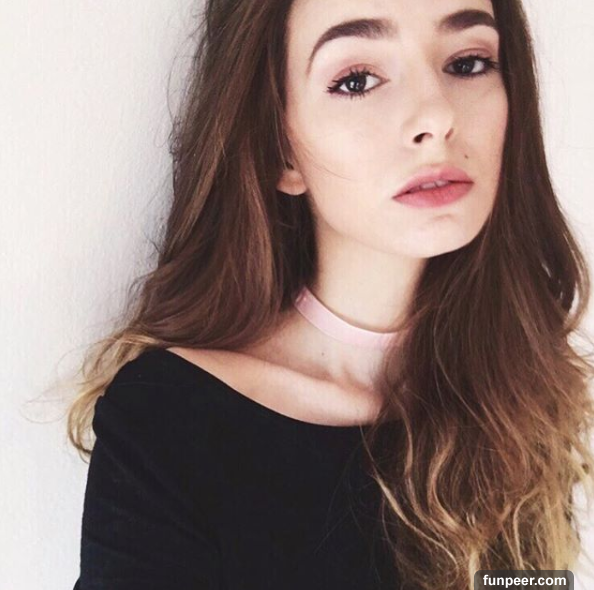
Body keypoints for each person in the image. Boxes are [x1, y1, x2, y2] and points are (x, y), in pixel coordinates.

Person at [68, 0, 594, 589]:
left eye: (468, 63)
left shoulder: (525, 398)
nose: (437, 115)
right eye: (357, 80)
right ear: (280, 147)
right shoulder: (171, 423)